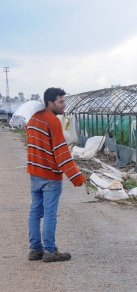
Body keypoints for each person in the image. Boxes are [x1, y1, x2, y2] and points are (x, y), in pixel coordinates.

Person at [26, 87, 86, 262]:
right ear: (50, 103)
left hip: (34, 172)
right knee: (50, 213)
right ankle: (50, 251)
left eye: (64, 101)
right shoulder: (52, 121)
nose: (64, 105)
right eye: (61, 101)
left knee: (35, 212)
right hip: (50, 175)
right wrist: (76, 177)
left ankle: (35, 250)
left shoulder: (32, 118)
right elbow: (61, 152)